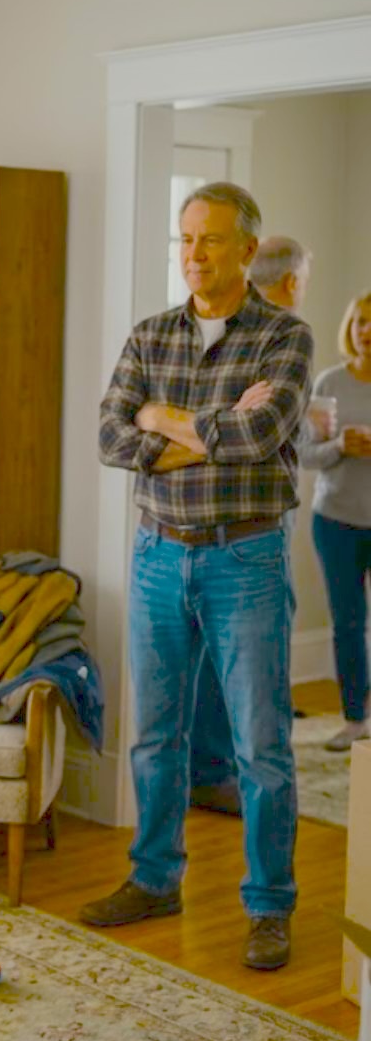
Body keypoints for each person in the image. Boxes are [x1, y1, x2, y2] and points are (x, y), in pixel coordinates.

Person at [85, 183, 311, 971]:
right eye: (186, 240)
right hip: (156, 553)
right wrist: (177, 427)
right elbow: (111, 436)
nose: (194, 255)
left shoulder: (285, 337)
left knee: (261, 744)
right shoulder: (151, 336)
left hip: (244, 556)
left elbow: (260, 433)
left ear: (248, 249)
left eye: (211, 240)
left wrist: (164, 417)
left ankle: (269, 906)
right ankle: (154, 880)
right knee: (153, 735)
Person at [188, 236, 314, 814]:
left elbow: (223, 430)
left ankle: (214, 770)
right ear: (291, 282)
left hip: (218, 524)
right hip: (254, 529)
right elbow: (253, 437)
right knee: (257, 667)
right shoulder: (277, 336)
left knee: (221, 657)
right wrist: (234, 422)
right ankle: (222, 774)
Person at [301, 289, 371, 751]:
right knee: (348, 622)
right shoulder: (328, 384)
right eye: (361, 322)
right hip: (337, 523)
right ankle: (353, 718)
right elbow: (306, 454)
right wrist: (340, 447)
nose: (367, 331)